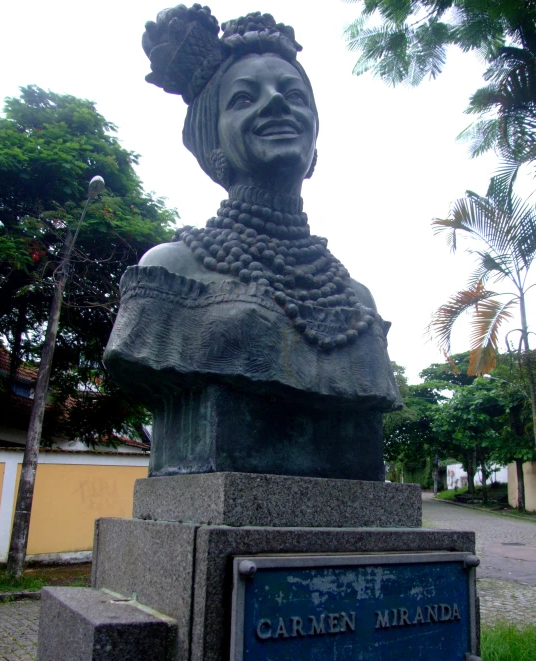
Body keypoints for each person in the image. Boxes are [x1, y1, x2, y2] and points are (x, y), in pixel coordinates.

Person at [104, 6, 401, 480]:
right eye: (244, 98)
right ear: (212, 140)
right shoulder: (171, 272)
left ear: (315, 137)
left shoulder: (357, 300)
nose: (277, 104)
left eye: (293, 94)